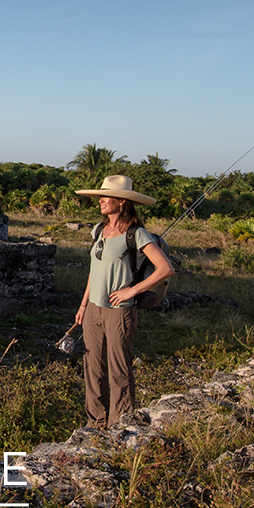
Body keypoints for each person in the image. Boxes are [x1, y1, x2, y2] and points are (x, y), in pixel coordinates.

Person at [74, 175, 174, 428]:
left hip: (120, 312)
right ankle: (95, 424)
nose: (101, 200)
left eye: (107, 196)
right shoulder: (98, 231)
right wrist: (84, 305)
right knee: (93, 369)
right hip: (94, 310)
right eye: (101, 196)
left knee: (118, 370)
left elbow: (165, 268)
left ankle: (120, 425)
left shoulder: (136, 234)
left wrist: (131, 291)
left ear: (123, 202)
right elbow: (93, 271)